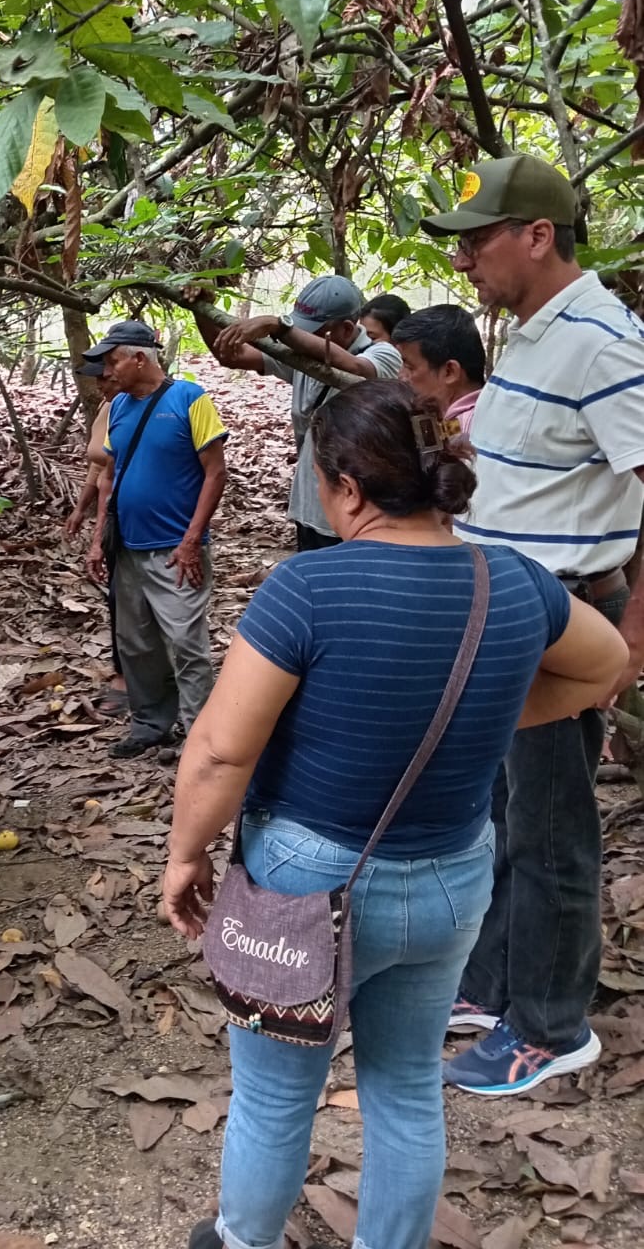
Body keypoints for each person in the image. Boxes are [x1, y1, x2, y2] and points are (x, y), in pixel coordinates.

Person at [162, 381, 626, 1249]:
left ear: (347, 486)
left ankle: (244, 1240)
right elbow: (604, 664)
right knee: (406, 1083)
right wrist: (489, 715)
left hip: (307, 878)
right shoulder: (511, 581)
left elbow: (222, 752)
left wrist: (186, 853)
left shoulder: (307, 588)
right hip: (449, 882)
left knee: (275, 1093)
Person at [418, 153, 644, 1094]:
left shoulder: (602, 341)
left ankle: (553, 1027)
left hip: (565, 615)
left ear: (538, 235)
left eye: (477, 241)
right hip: (510, 612)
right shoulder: (531, 333)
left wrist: (631, 645)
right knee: (505, 810)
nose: (464, 260)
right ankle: (497, 982)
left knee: (551, 828)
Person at [84, 320, 227, 759]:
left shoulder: (190, 398)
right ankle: (150, 724)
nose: (109, 372)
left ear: (139, 358)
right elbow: (111, 475)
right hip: (128, 546)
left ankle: (199, 733)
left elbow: (215, 472)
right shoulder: (119, 408)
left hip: (174, 548)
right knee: (136, 643)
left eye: (114, 361)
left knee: (185, 642)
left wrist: (192, 540)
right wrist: (98, 537)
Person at [204, 274, 401, 551]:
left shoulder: (383, 354)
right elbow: (232, 356)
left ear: (346, 328)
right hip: (312, 506)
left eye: (313, 331)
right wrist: (201, 309)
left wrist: (279, 327)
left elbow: (357, 369)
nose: (301, 337)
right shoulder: (301, 355)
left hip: (361, 516)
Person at [64, 358, 127, 715]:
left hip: (142, 514)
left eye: (105, 377)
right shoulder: (109, 405)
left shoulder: (151, 406)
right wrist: (81, 508)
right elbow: (98, 464)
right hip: (112, 511)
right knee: (118, 597)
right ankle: (123, 674)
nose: (100, 384)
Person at [392, 304, 485, 436]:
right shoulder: (479, 413)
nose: (401, 376)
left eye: (410, 367)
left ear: (449, 372)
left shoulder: (462, 428)